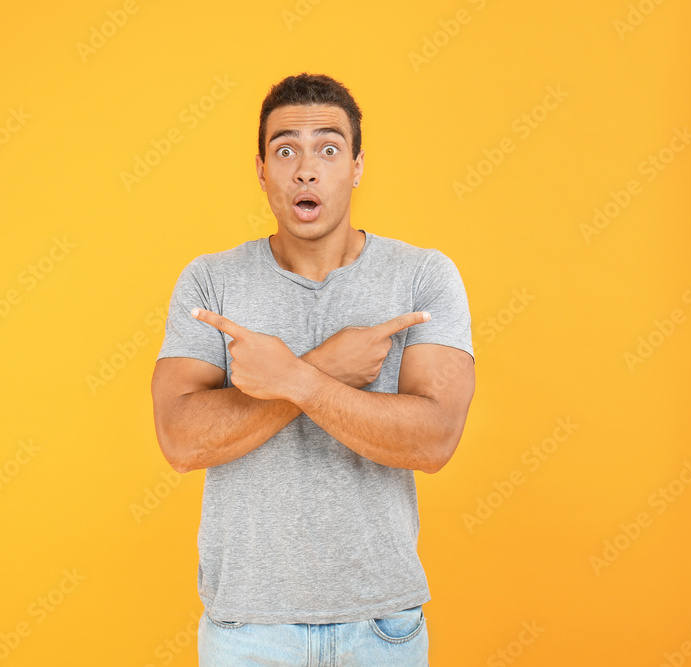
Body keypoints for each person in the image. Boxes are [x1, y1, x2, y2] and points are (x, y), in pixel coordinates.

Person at [150, 72, 475, 666]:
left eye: (328, 148)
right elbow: (180, 440)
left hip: (382, 627)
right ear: (261, 169)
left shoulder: (423, 277)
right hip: (247, 631)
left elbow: (433, 441)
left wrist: (295, 379)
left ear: (355, 166)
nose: (306, 169)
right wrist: (324, 367)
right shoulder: (210, 281)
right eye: (285, 150)